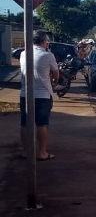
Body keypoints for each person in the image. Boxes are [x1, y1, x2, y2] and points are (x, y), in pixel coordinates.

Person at [18, 30, 59, 161]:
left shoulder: (23, 54)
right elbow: (56, 74)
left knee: (25, 124)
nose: (48, 43)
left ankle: (25, 151)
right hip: (43, 95)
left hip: (25, 93)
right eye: (47, 41)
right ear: (43, 41)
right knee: (42, 124)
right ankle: (42, 152)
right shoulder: (48, 55)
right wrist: (52, 80)